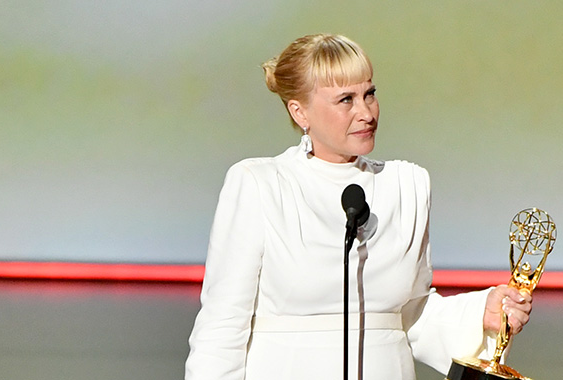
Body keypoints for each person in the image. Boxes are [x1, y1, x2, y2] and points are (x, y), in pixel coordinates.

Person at [185, 33, 532, 380]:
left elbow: (410, 313)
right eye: (345, 100)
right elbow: (222, 323)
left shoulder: (406, 185)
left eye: (370, 94)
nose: (366, 112)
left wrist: (478, 314)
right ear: (299, 110)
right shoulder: (261, 184)